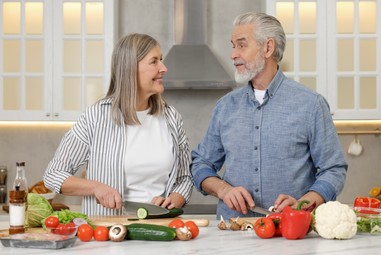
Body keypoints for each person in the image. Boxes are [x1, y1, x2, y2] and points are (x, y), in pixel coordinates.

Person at [191, 12, 348, 220]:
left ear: (268, 48)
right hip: (233, 231)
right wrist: (223, 189)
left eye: (241, 45)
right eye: (233, 45)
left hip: (291, 233)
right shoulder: (225, 107)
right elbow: (200, 164)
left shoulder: (311, 104)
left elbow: (334, 169)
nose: (233, 54)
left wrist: (304, 203)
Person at [44, 33, 193, 216]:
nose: (163, 68)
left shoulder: (171, 118)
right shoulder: (96, 116)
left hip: (159, 228)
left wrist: (173, 201)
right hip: (106, 233)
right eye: (154, 61)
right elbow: (53, 175)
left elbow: (184, 178)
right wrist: (96, 188)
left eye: (161, 60)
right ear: (130, 68)